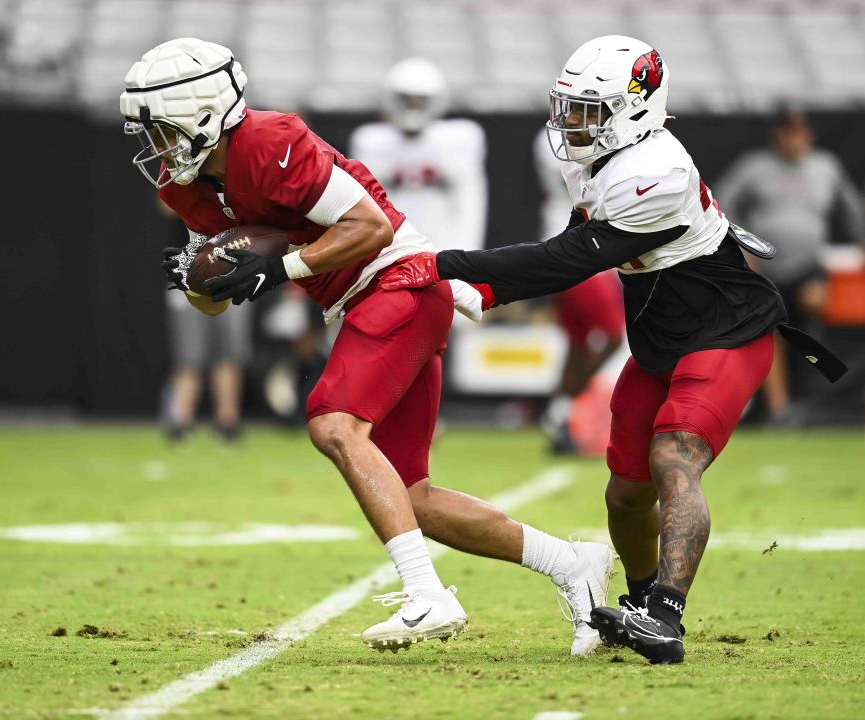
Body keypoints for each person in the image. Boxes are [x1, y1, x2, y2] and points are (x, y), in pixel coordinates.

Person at [122, 38, 613, 654]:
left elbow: (370, 227)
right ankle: (573, 565)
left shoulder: (269, 143)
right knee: (413, 500)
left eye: (163, 130)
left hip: (400, 277)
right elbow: (222, 290)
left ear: (199, 114)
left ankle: (426, 594)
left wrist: (278, 271)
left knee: (333, 424)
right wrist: (200, 283)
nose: (156, 148)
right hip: (364, 298)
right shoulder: (186, 188)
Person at [379, 35, 844, 663]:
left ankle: (667, 618)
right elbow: (575, 239)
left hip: (726, 331)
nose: (571, 123)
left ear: (636, 108)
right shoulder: (603, 159)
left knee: (672, 454)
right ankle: (640, 601)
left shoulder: (657, 171)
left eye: (589, 109)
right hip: (661, 339)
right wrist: (481, 289)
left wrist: (444, 265)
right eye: (568, 107)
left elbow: (568, 259)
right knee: (625, 494)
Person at [716, 107, 865, 425]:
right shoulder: (754, 167)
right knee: (770, 331)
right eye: (788, 132)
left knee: (814, 303)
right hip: (766, 268)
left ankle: (813, 383)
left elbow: (851, 207)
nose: (794, 139)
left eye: (799, 131)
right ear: (777, 135)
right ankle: (779, 409)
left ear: (808, 134)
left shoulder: (825, 167)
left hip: (808, 265)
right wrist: (742, 247)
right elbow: (721, 202)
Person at [533, 128, 625, 455]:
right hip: (577, 251)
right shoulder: (555, 141)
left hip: (578, 249)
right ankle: (564, 406)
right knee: (613, 336)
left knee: (577, 343)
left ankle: (558, 414)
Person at [349, 58, 487, 258]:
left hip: (443, 245)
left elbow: (469, 202)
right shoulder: (371, 141)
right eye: (407, 100)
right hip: (391, 247)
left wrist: (466, 251)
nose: (413, 107)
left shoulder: (460, 138)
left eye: (420, 100)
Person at [156, 197, 250, 444]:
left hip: (231, 271)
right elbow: (166, 205)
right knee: (189, 355)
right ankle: (180, 420)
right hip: (188, 272)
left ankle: (227, 422)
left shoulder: (232, 174)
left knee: (230, 353)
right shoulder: (181, 175)